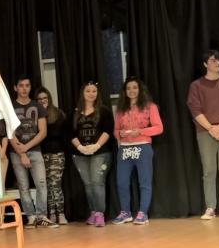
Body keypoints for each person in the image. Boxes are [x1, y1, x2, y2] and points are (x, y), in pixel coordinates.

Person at [186, 50, 219, 219]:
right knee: (209, 170)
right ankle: (210, 207)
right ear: (205, 64)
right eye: (213, 60)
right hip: (205, 132)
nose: (218, 63)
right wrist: (211, 129)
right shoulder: (196, 86)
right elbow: (195, 110)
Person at [112, 78, 163, 225]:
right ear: (125, 91)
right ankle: (125, 212)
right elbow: (115, 130)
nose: (132, 91)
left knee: (144, 182)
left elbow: (159, 128)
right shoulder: (121, 108)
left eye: (134, 87)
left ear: (140, 89)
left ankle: (142, 213)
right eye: (128, 88)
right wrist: (119, 134)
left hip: (143, 147)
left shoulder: (150, 106)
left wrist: (140, 131)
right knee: (121, 182)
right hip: (124, 149)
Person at [10, 76, 57, 228]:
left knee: (41, 184)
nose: (24, 89)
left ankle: (41, 216)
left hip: (35, 150)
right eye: (21, 85)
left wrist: (27, 147)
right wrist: (21, 152)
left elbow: (43, 132)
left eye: (27, 85)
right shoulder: (10, 107)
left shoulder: (38, 107)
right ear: (15, 88)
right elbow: (9, 133)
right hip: (16, 152)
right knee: (23, 186)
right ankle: (30, 216)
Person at [69, 81, 113, 227]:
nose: (91, 94)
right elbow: (70, 133)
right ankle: (93, 212)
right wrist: (80, 147)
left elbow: (107, 130)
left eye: (94, 91)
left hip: (100, 152)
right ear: (83, 93)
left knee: (97, 182)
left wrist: (97, 145)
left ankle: (100, 213)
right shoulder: (75, 113)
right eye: (88, 91)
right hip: (80, 154)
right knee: (88, 184)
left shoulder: (104, 111)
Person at [36, 87, 68, 225]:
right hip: (42, 155)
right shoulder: (36, 115)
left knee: (56, 185)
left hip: (56, 154)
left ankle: (61, 213)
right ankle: (52, 214)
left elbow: (60, 136)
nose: (43, 101)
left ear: (49, 98)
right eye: (39, 99)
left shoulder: (58, 114)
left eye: (45, 98)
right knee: (47, 186)